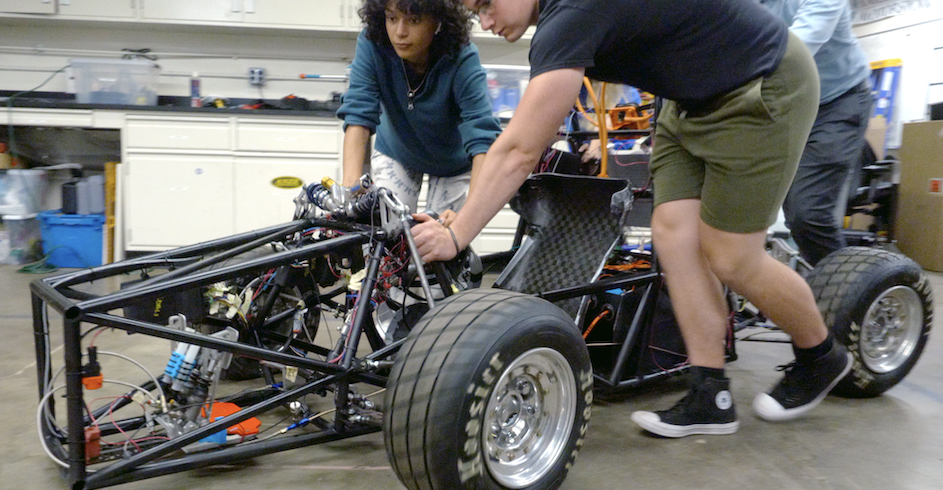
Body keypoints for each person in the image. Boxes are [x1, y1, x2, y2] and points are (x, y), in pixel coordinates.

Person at [410, 0, 853, 437]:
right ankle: (710, 394)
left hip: (763, 82)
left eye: (486, 4)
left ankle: (820, 355)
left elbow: (520, 149)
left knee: (732, 257)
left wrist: (457, 232)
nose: (485, 21)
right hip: (688, 102)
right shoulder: (560, 20)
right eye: (475, 12)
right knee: (673, 234)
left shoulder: (571, 14)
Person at [337, 0, 502, 222]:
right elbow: (359, 112)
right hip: (399, 149)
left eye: (414, 20)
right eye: (392, 18)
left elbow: (481, 135)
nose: (400, 32)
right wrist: (351, 187)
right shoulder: (372, 43)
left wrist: (469, 214)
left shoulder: (462, 56)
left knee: (442, 242)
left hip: (453, 162)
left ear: (438, 21)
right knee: (387, 236)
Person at [761, 0, 873, 266]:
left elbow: (798, 46)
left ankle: (842, 293)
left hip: (837, 103)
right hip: (789, 104)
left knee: (807, 213)